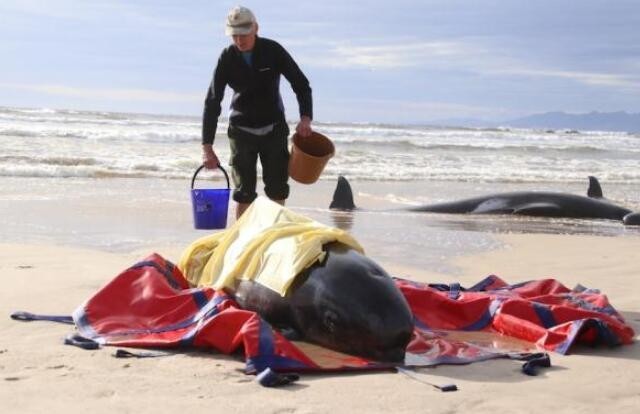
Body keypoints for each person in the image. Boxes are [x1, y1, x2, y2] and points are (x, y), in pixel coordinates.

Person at [201, 5, 313, 219]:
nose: (239, 40)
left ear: (256, 29)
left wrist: (305, 118)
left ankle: (274, 238)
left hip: (273, 130)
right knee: (244, 193)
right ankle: (243, 242)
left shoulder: (273, 51)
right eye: (234, 35)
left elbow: (301, 84)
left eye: (244, 34)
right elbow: (213, 101)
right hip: (241, 132)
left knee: (277, 188)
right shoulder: (227, 57)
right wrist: (207, 147)